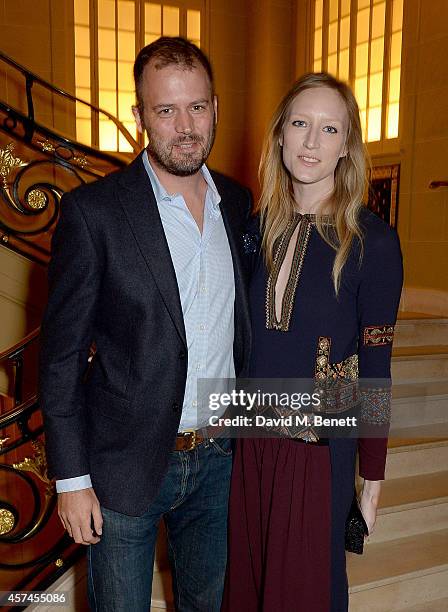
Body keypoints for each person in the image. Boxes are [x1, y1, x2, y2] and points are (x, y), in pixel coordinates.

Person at [39, 37, 251, 612]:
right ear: (140, 117)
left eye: (198, 107)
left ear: (215, 107)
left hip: (218, 458)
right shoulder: (94, 214)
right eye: (166, 110)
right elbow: (59, 359)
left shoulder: (239, 201)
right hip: (125, 466)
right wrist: (71, 480)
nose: (185, 126)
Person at [222, 73, 403, 611]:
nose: (310, 142)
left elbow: (375, 365)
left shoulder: (374, 240)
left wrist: (371, 478)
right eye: (300, 124)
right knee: (247, 591)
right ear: (280, 134)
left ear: (346, 146)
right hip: (250, 443)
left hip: (315, 450)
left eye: (329, 129)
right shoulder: (256, 230)